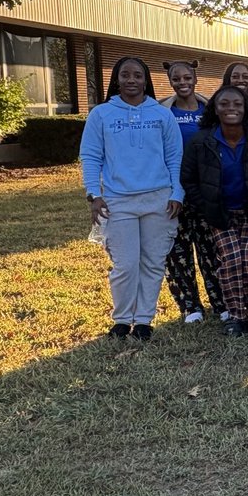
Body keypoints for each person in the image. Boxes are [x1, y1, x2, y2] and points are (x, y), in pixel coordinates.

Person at [79, 56, 183, 340]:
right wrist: (94, 194)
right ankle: (122, 319)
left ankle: (144, 321)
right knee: (125, 264)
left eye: (138, 75)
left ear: (146, 79)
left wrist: (177, 192)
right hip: (118, 201)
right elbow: (90, 156)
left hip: (159, 199)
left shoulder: (162, 114)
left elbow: (175, 157)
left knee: (152, 263)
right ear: (117, 79)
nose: (132, 80)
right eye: (125, 75)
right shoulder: (101, 114)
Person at [181, 85, 248, 336]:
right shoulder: (201, 140)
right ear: (215, 109)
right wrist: (206, 206)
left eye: (237, 104)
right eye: (224, 104)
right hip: (220, 213)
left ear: (246, 108)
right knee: (230, 261)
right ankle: (236, 316)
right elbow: (189, 179)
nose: (231, 109)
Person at [160, 60, 226, 324]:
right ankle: (190, 306)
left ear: (195, 79)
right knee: (177, 251)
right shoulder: (163, 111)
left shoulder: (209, 109)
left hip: (205, 189)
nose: (182, 82)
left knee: (210, 249)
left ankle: (220, 302)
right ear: (170, 81)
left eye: (187, 77)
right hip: (172, 189)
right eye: (176, 78)